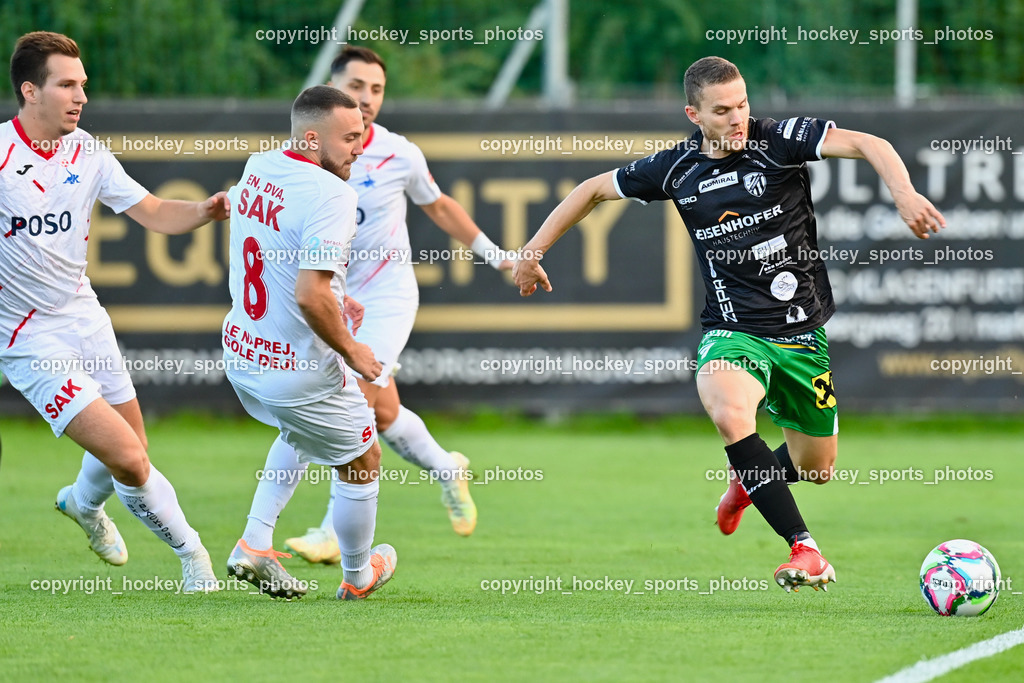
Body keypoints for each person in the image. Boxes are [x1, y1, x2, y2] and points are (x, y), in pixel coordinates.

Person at [513, 56, 946, 592]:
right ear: (693, 113)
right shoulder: (676, 169)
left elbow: (868, 143)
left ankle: (749, 482)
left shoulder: (779, 139)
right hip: (732, 328)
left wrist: (902, 192)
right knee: (729, 410)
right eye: (722, 111)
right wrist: (530, 253)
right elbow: (591, 190)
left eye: (742, 104)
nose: (738, 117)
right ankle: (806, 549)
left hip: (800, 333)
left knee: (817, 467)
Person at [0, 32, 228, 591]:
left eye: (84, 85)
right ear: (30, 91)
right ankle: (195, 560)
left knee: (132, 451)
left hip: (84, 314)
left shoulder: (89, 151)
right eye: (67, 85)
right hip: (28, 337)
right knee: (128, 456)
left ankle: (82, 503)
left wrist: (202, 209)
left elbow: (152, 211)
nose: (81, 96)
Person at [285, 46, 513, 564]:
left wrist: (497, 257)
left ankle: (328, 531)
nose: (366, 98)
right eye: (356, 86)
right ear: (332, 88)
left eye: (376, 89)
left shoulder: (399, 154)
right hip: (336, 300)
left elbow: (439, 206)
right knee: (384, 410)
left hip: (386, 298)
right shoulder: (302, 153)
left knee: (355, 394)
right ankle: (447, 468)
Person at [222, 85, 397, 600]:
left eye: (362, 135)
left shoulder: (260, 165)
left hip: (244, 351)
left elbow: (277, 253)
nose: (359, 148)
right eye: (349, 138)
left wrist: (336, 300)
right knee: (362, 460)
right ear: (313, 137)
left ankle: (254, 543)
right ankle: (359, 576)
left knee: (297, 432)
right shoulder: (334, 194)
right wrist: (352, 348)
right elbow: (309, 294)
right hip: (298, 367)